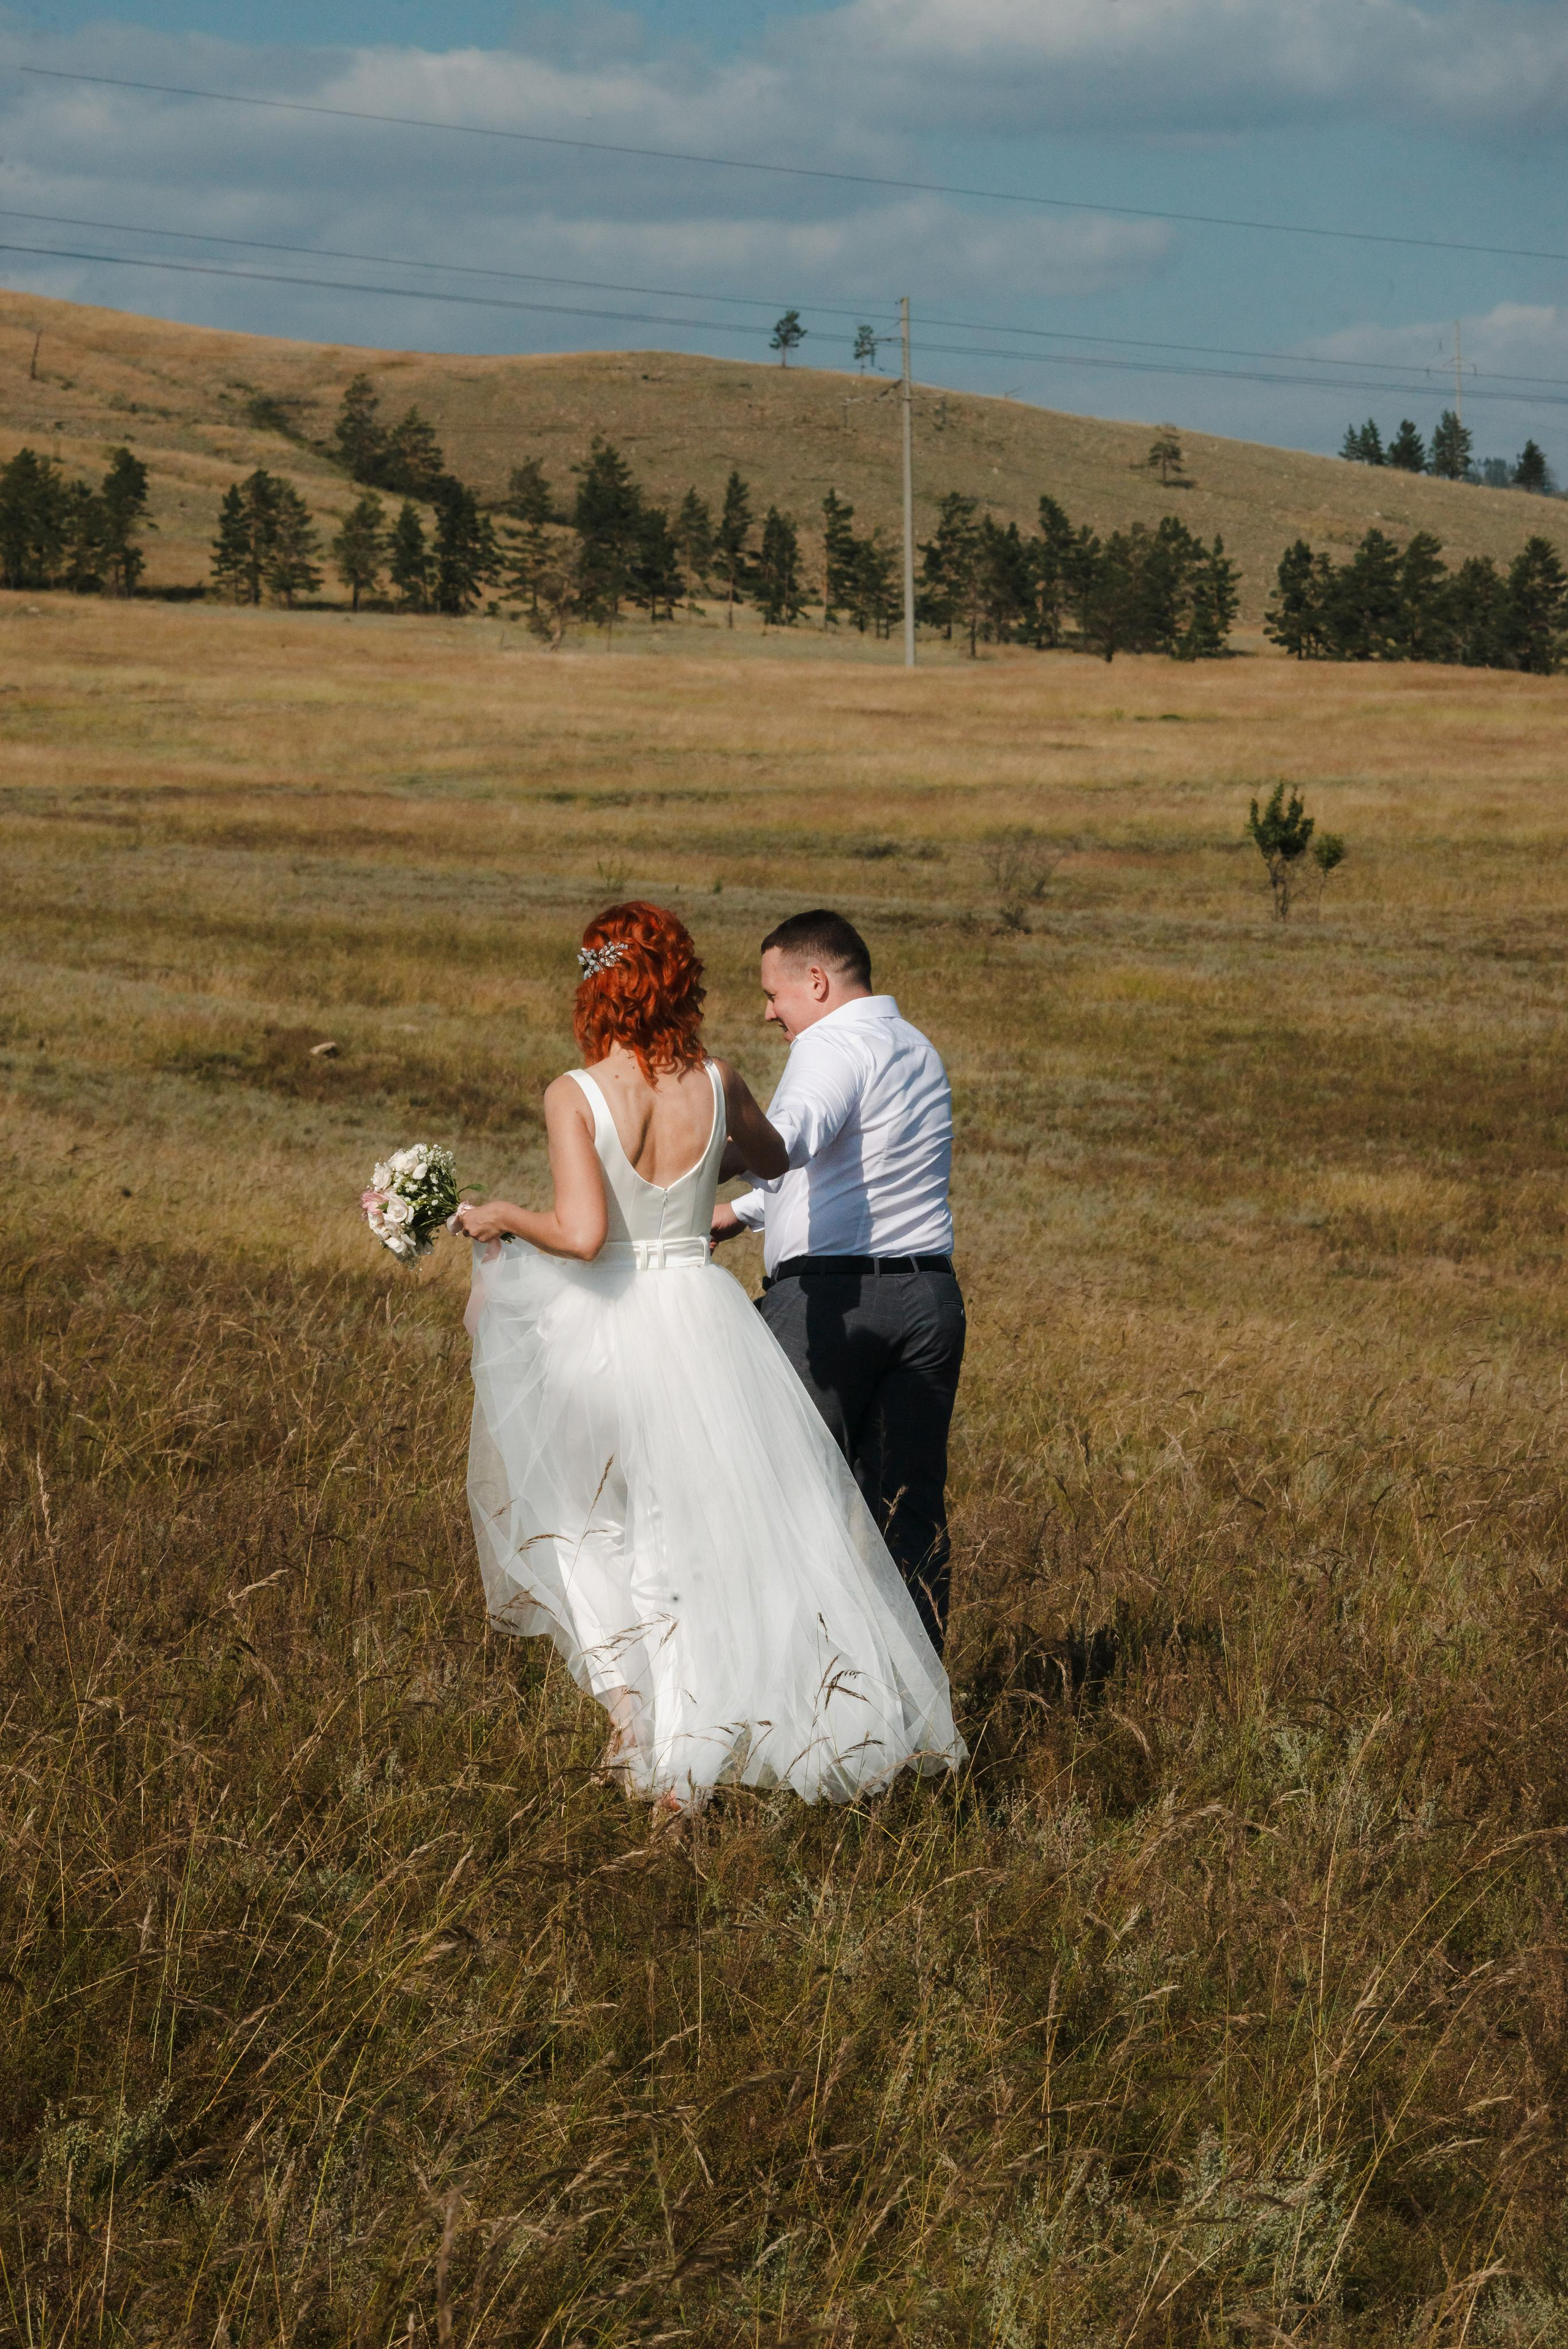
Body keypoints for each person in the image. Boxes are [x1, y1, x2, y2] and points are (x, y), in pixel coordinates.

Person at [451, 901, 963, 1814]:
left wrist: (498, 1217)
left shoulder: (574, 1090)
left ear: (596, 985)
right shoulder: (722, 1077)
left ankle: (631, 1707)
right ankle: (705, 1742)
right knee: (714, 1530)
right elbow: (776, 1154)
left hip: (605, 1322)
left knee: (580, 1515)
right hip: (705, 1316)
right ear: (677, 980)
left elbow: (582, 1229)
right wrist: (710, 1175)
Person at [710, 911, 963, 1653]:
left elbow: (790, 1142)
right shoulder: (916, 1048)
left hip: (834, 1307)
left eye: (773, 993)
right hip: (928, 1301)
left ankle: (794, 1702)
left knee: (777, 1495)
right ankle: (916, 1718)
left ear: (815, 982)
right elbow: (854, 1173)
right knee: (906, 1515)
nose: (768, 1012)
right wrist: (740, 1213)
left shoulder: (829, 1042)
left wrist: (696, 1156)